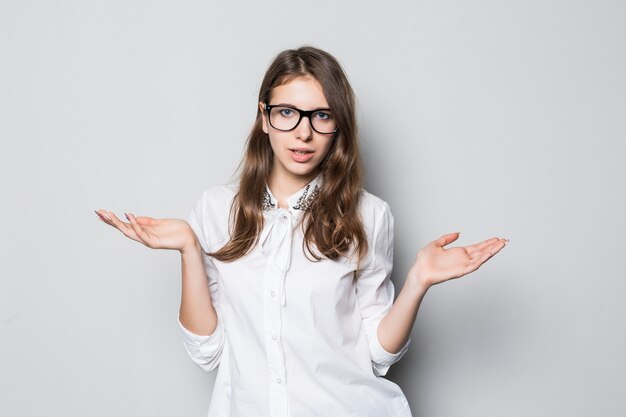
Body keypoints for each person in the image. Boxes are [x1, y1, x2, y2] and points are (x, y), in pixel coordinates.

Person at [95, 45, 507, 417]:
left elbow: (378, 355)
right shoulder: (216, 210)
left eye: (321, 115)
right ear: (264, 118)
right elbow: (208, 351)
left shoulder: (369, 215)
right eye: (287, 112)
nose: (303, 132)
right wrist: (188, 246)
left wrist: (418, 282)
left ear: (338, 126)